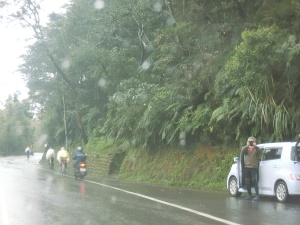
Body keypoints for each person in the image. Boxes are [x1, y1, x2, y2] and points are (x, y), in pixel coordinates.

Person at [241, 136, 261, 201]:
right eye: (250, 142)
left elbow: (260, 152)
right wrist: (247, 145)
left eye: (252, 142)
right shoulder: (246, 149)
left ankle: (257, 195)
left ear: (254, 142)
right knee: (247, 182)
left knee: (254, 181)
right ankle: (249, 195)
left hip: (253, 167)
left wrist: (255, 146)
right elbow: (242, 151)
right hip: (246, 167)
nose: (251, 143)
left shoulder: (256, 149)